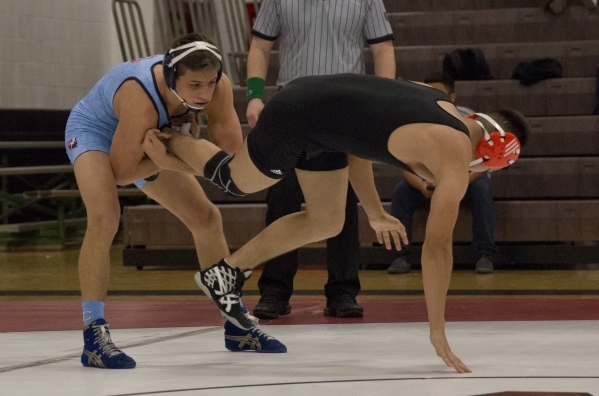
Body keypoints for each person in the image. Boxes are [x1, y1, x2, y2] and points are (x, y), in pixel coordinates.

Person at [142, 73, 529, 373]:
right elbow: (437, 247)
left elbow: (357, 138)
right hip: (300, 115)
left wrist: (375, 212)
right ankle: (169, 137)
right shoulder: (456, 154)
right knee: (236, 180)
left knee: (327, 220)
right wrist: (436, 327)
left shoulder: (437, 101)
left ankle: (226, 273)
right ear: (495, 154)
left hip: (322, 117)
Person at [64, 32, 286, 369]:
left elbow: (228, 157)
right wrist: (168, 160)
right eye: (194, 84)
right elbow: (123, 172)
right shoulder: (141, 96)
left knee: (207, 218)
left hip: (152, 138)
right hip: (97, 132)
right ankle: (94, 334)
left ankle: (235, 323)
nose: (204, 93)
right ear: (171, 77)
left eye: (210, 83)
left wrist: (171, 154)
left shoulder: (217, 87)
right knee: (105, 216)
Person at [245, 0, 396, 319]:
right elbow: (260, 45)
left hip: (347, 103)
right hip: (292, 104)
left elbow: (382, 49)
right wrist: (255, 95)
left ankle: (343, 291)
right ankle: (274, 289)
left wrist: (383, 101)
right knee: (281, 197)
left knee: (343, 201)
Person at [387, 72, 496, 275]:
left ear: (452, 97)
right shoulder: (414, 120)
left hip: (465, 181)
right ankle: (400, 256)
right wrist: (422, 185)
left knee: (482, 189)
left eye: (438, 93)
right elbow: (405, 165)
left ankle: (485, 254)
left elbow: (481, 167)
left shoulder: (469, 120)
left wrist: (452, 186)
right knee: (402, 191)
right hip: (429, 182)